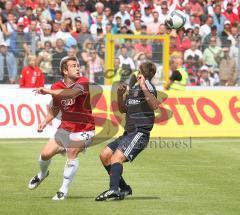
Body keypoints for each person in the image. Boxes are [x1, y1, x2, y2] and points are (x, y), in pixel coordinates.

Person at [28, 56, 95, 200]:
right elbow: (56, 107)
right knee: (45, 154)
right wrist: (45, 121)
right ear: (65, 70)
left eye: (78, 65)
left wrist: (48, 91)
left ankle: (63, 190)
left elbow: (70, 93)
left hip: (85, 129)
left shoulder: (83, 82)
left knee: (72, 151)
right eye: (73, 66)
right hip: (65, 128)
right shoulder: (56, 86)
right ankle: (42, 174)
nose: (78, 68)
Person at [95, 61, 160, 201]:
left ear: (143, 73)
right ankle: (124, 188)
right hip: (128, 133)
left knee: (115, 158)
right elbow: (123, 109)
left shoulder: (147, 86)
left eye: (139, 70)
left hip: (140, 133)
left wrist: (143, 86)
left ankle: (113, 190)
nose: (137, 73)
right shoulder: (134, 88)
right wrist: (119, 95)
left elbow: (155, 105)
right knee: (105, 155)